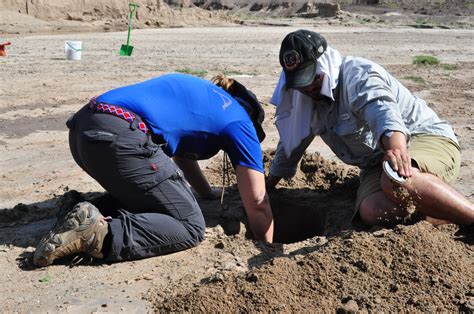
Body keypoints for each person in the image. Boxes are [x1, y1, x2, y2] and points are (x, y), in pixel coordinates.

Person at [34, 73, 274, 267]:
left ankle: (81, 209)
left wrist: (206, 193)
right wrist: (267, 250)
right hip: (118, 137)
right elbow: (257, 202)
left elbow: (183, 157)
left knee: (156, 201)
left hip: (84, 131)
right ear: (251, 115)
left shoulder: (206, 97)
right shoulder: (240, 121)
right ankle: (99, 235)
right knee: (190, 226)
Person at [267, 29, 474, 227]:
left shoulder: (358, 75)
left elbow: (383, 113)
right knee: (371, 210)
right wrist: (268, 186)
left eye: (313, 78)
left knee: (395, 180)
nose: (309, 87)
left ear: (324, 65)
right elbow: (291, 143)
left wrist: (395, 148)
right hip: (378, 163)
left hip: (423, 138)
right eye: (301, 82)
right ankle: (450, 214)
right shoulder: (304, 94)